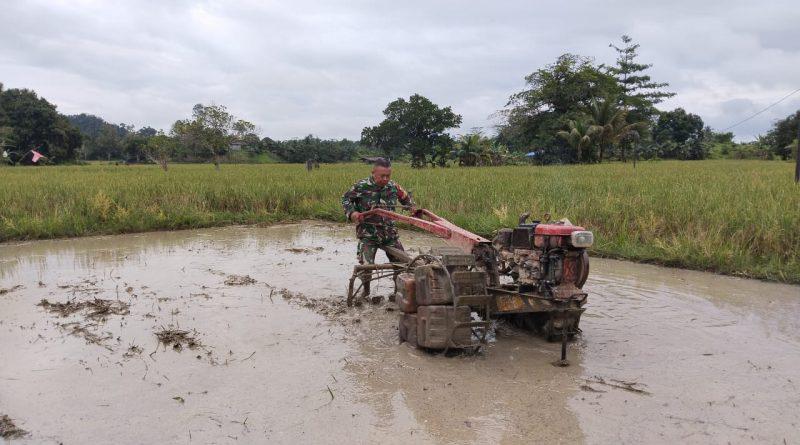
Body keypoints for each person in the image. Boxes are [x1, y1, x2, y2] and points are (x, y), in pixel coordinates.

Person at [341, 158, 415, 270]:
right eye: (382, 176)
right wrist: (352, 213)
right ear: (373, 173)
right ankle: (366, 287)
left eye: (388, 176)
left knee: (403, 266)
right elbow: (346, 199)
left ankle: (398, 286)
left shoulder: (393, 187)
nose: (385, 179)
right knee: (366, 270)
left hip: (390, 235)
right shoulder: (361, 186)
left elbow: (406, 199)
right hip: (368, 235)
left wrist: (411, 208)